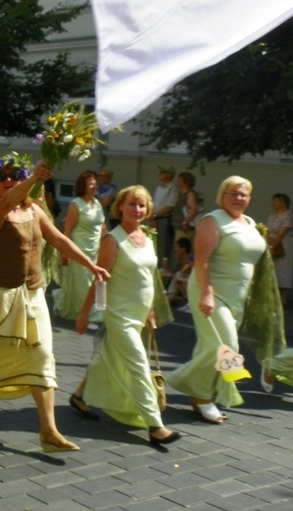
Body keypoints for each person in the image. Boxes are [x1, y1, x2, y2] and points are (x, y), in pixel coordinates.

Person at [0, 154, 109, 453]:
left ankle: (49, 431)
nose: (9, 181)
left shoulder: (34, 211)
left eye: (15, 176)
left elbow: (60, 241)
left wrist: (91, 265)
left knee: (42, 356)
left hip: (33, 294)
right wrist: (33, 179)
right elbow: (8, 203)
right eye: (4, 177)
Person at [69, 186, 181, 446]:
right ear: (120, 207)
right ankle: (155, 425)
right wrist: (86, 313)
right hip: (119, 315)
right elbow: (100, 281)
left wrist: (150, 310)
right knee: (138, 365)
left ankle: (79, 396)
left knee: (107, 355)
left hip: (139, 313)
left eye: (142, 205)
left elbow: (148, 278)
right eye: (132, 204)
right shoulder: (113, 240)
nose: (137, 210)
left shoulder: (147, 237)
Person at [165, 176, 268, 422]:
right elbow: (202, 260)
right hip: (211, 292)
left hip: (237, 297)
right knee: (226, 345)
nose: (238, 198)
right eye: (233, 193)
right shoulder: (212, 220)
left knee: (210, 347)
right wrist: (207, 294)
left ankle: (202, 394)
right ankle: (196, 391)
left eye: (243, 194)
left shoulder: (250, 223)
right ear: (222, 195)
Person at [54, 170, 106, 324]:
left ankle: (99, 311)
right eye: (90, 184)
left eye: (95, 184)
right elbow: (68, 229)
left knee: (99, 281)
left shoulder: (97, 204)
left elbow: (103, 227)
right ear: (82, 186)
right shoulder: (76, 204)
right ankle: (87, 316)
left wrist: (110, 242)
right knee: (84, 284)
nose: (94, 187)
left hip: (96, 249)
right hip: (80, 250)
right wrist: (65, 252)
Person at [266, 193, 293, 306]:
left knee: (282, 274)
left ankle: (282, 302)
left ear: (283, 202)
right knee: (272, 273)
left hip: (282, 247)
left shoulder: (287, 216)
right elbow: (268, 231)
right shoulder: (272, 217)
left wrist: (272, 247)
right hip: (271, 244)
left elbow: (281, 234)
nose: (273, 203)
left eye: (276, 201)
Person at [152, 167, 179, 268]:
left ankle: (163, 268)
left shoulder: (172, 188)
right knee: (155, 244)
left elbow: (169, 206)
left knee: (163, 245)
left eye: (163, 172)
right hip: (155, 219)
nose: (159, 174)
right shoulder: (159, 188)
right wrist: (152, 217)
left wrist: (156, 215)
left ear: (168, 175)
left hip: (164, 219)